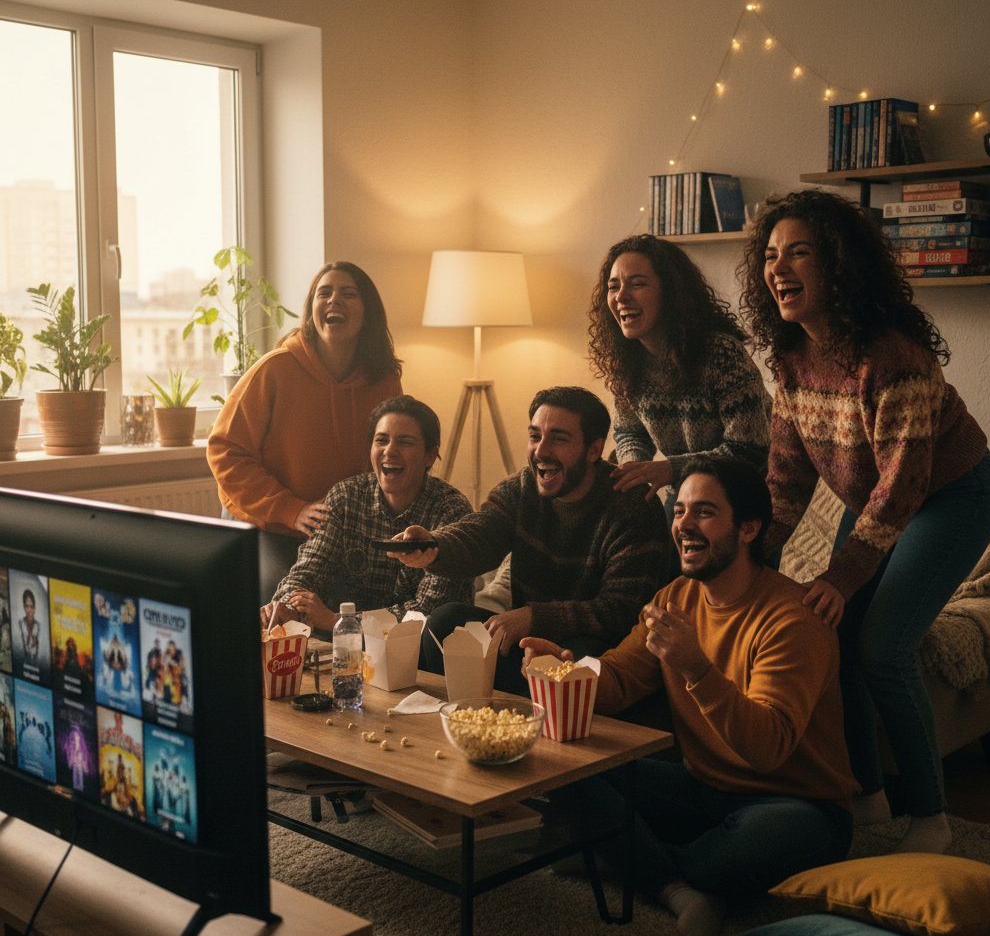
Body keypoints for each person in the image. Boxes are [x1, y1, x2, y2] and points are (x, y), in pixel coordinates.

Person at [738, 189, 990, 855]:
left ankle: (931, 817)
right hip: (873, 497)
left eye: (798, 252)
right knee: (833, 641)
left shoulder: (893, 358)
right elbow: (786, 481)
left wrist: (841, 575)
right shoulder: (791, 359)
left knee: (882, 649)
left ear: (838, 266)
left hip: (949, 498)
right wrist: (754, 557)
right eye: (770, 255)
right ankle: (867, 798)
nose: (778, 268)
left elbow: (903, 487)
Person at [522, 456, 857, 936]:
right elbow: (618, 678)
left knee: (738, 852)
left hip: (795, 803)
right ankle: (676, 887)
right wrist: (566, 669)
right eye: (679, 511)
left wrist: (697, 668)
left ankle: (627, 855)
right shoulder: (675, 598)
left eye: (704, 512)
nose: (683, 525)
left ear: (748, 529)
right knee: (568, 768)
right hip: (702, 788)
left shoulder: (792, 621)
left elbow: (767, 749)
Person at [390, 386, 674, 694]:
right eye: (535, 436)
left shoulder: (632, 505)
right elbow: (481, 533)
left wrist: (535, 618)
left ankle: (532, 713)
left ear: (594, 450)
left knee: (578, 662)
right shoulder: (522, 487)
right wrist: (434, 546)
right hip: (527, 644)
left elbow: (622, 610)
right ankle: (477, 714)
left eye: (558, 439)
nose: (540, 451)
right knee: (446, 623)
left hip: (600, 653)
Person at [207, 260, 403, 600]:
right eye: (323, 293)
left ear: (367, 313)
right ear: (311, 309)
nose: (334, 300)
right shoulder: (274, 370)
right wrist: (291, 510)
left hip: (340, 530)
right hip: (268, 523)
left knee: (377, 594)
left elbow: (394, 454)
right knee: (285, 596)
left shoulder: (384, 380)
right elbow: (225, 451)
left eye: (348, 294)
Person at [587, 234, 771, 520]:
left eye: (637, 284)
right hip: (687, 488)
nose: (621, 297)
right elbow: (630, 432)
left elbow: (749, 451)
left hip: (747, 492)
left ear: (670, 292)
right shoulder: (627, 363)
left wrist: (670, 469)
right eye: (613, 287)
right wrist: (634, 468)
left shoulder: (721, 353)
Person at [261, 396, 474, 633]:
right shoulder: (346, 497)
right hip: (350, 646)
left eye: (405, 442)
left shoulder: (451, 511)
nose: (390, 451)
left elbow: (430, 611)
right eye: (381, 440)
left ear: (430, 456)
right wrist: (287, 606)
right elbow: (309, 569)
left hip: (429, 647)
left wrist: (338, 622)